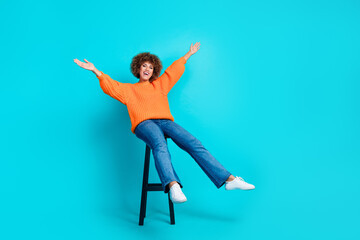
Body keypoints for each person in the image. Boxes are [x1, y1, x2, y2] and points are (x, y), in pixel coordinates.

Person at [74, 42, 255, 204]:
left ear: (154, 71)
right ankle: (173, 185)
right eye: (144, 66)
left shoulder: (159, 85)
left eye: (151, 68)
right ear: (138, 68)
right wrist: (95, 70)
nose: (147, 69)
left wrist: (188, 55)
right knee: (159, 144)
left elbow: (173, 72)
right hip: (144, 124)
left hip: (164, 121)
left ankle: (229, 180)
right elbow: (111, 86)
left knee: (194, 143)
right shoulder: (128, 90)